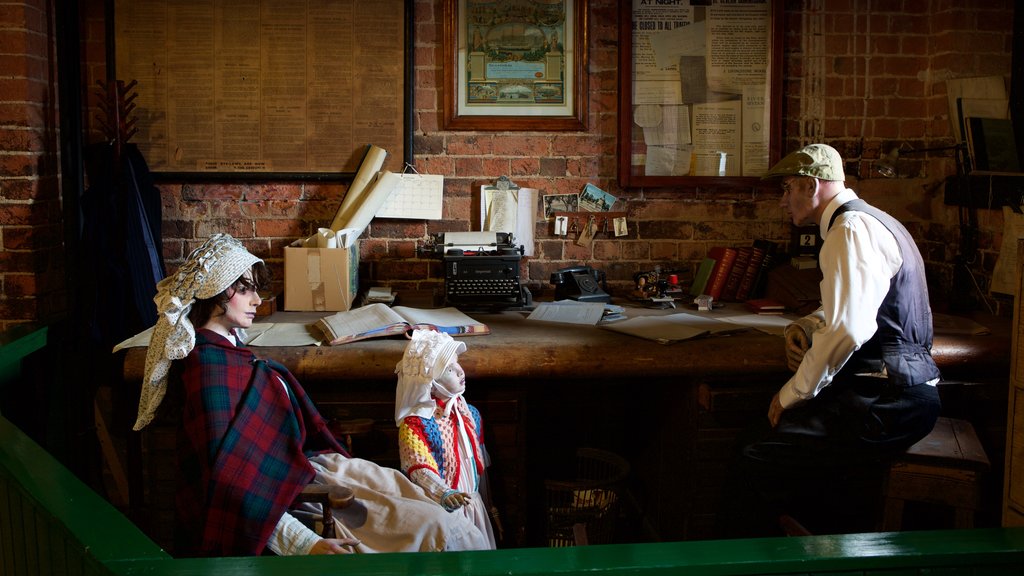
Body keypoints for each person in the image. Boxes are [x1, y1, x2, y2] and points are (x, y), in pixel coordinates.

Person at [133, 233, 490, 557]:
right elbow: (229, 479)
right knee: (442, 530)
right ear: (214, 293)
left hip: (309, 467)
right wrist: (306, 544)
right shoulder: (209, 369)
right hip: (289, 495)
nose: (257, 299)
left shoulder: (230, 352)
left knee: (439, 506)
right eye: (244, 290)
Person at [726, 143, 942, 536]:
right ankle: (815, 542)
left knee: (755, 451)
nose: (783, 201)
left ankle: (797, 555)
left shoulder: (849, 230)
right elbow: (856, 305)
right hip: (892, 393)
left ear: (811, 186)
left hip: (891, 401)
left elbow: (848, 328)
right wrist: (808, 325)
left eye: (788, 188)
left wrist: (792, 392)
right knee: (769, 443)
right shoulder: (870, 221)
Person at [395, 329, 498, 549]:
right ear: (430, 383)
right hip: (446, 511)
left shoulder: (469, 414)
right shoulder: (417, 425)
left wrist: (489, 506)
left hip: (475, 505)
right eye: (450, 369)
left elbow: (479, 466)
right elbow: (420, 469)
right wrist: (444, 492)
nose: (461, 372)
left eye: (457, 363)